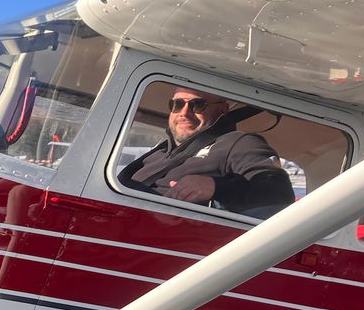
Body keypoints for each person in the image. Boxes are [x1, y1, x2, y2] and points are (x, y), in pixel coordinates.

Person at [119, 87, 295, 217]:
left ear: (222, 110)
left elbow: (278, 192)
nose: (184, 113)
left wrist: (215, 187)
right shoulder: (158, 152)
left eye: (197, 105)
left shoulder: (237, 143)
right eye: (177, 104)